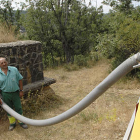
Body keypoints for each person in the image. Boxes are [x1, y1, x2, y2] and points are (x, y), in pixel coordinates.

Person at [0, 57, 28, 131]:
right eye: (1, 63)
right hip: (5, 94)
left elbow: (20, 79)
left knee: (18, 108)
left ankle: (21, 122)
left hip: (15, 93)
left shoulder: (14, 69)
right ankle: (12, 123)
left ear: (7, 62)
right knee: (9, 109)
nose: (4, 64)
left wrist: (21, 90)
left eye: (4, 62)